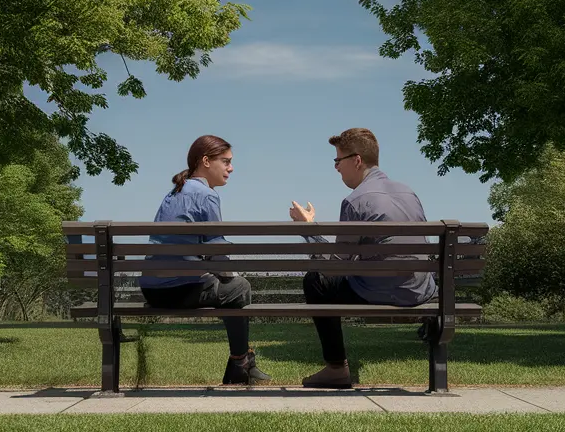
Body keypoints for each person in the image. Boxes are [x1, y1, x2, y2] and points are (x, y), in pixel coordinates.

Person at [288, 127, 438, 389]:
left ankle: (336, 368)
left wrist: (308, 229)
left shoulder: (355, 201)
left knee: (316, 281)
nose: (336, 168)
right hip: (418, 290)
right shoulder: (408, 193)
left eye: (338, 160)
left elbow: (334, 266)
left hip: (379, 290)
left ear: (357, 160)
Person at [139, 134, 270, 386]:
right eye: (226, 161)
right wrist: (230, 274)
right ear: (206, 161)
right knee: (239, 287)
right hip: (180, 291)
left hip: (152, 291)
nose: (231, 168)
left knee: (229, 287)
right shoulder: (207, 195)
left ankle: (241, 363)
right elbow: (217, 254)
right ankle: (241, 363)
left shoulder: (173, 192)